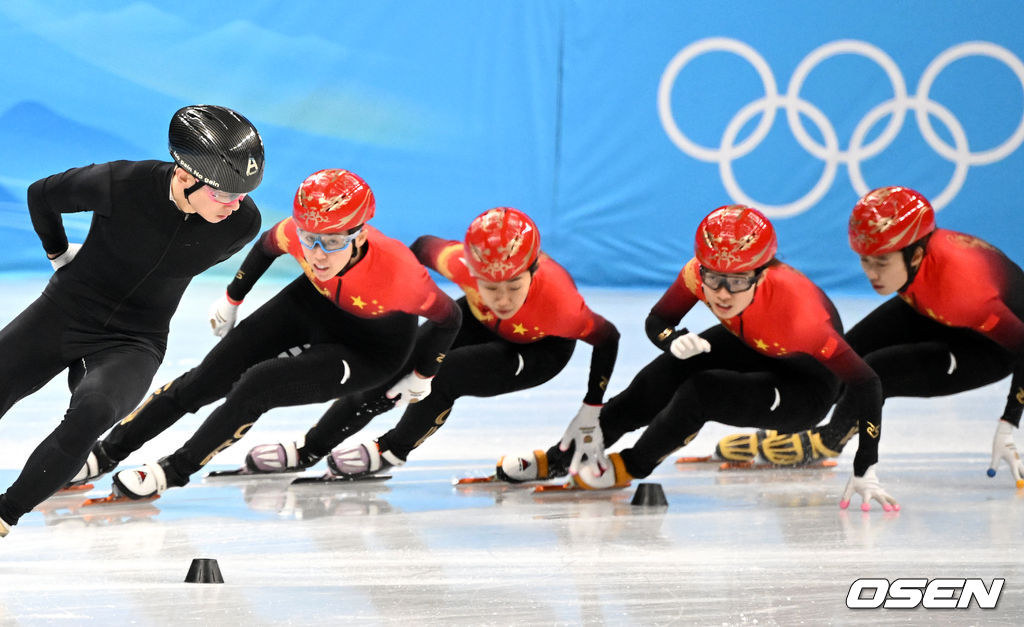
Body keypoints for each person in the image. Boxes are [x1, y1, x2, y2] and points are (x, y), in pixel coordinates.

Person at [76, 168, 462, 500]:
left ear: (360, 235)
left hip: (371, 348)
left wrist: (424, 374)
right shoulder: (297, 233)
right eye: (309, 238)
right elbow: (265, 248)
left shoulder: (401, 275)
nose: (317, 254)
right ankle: (106, 453)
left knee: (258, 384)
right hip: (314, 305)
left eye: (332, 242)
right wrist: (232, 298)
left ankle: (173, 471)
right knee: (204, 380)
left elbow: (449, 318)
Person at [507, 205, 897, 511]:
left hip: (807, 387)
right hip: (757, 343)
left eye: (738, 281)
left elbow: (867, 382)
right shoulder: (698, 274)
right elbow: (658, 321)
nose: (722, 294)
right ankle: (564, 456)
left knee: (702, 391)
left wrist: (866, 463)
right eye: (714, 279)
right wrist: (671, 341)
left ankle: (631, 465)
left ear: (762, 274)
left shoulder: (802, 317)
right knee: (663, 375)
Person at [0, 104, 265, 537]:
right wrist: (58, 253)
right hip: (65, 311)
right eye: (224, 195)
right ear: (185, 175)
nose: (235, 206)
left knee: (94, 411)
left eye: (243, 194)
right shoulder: (121, 183)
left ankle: (5, 513)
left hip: (134, 340)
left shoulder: (242, 224)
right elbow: (41, 195)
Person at [238, 206, 620, 482]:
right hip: (476, 320)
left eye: (514, 286)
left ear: (532, 271)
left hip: (539, 349)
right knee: (397, 365)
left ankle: (391, 451)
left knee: (446, 375)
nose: (503, 300)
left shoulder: (561, 304)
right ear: (471, 272)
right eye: (490, 287)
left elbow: (608, 338)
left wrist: (592, 407)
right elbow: (418, 249)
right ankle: (310, 449)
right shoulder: (455, 262)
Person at [717, 186, 1024, 488]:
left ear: (915, 256)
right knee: (845, 356)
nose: (872, 273)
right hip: (936, 306)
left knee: (879, 370)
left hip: (992, 347)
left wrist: (1008, 423)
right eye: (866, 260)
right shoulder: (919, 260)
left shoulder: (967, 291)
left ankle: (829, 441)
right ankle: (794, 422)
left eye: (882, 262)